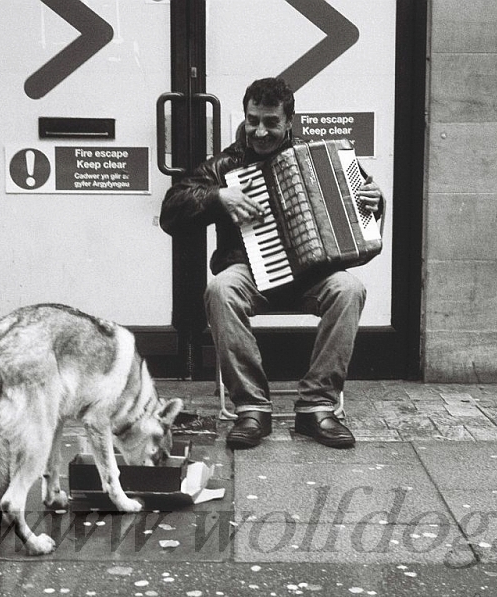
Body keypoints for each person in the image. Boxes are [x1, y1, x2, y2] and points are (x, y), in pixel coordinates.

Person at [159, 77, 384, 450]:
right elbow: (171, 212)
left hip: (311, 274)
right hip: (248, 272)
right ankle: (251, 407)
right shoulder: (223, 166)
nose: (259, 131)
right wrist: (217, 197)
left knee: (350, 289)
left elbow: (364, 235)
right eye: (252, 120)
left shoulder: (321, 161)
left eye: (270, 122)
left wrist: (373, 204)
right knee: (220, 289)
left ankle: (317, 407)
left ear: (289, 121)